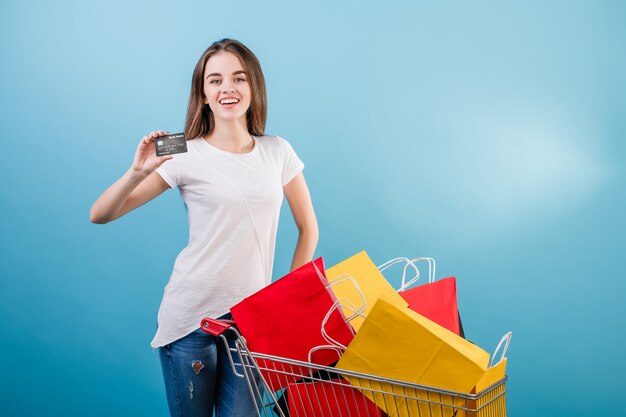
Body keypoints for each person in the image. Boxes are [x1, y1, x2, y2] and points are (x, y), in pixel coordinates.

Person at [90, 38, 319, 417]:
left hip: (251, 322)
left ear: (253, 87)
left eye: (238, 78)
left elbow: (307, 227)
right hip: (189, 320)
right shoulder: (180, 149)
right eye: (215, 80)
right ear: (202, 94)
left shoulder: (277, 150)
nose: (227, 88)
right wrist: (136, 173)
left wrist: (283, 301)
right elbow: (101, 214)